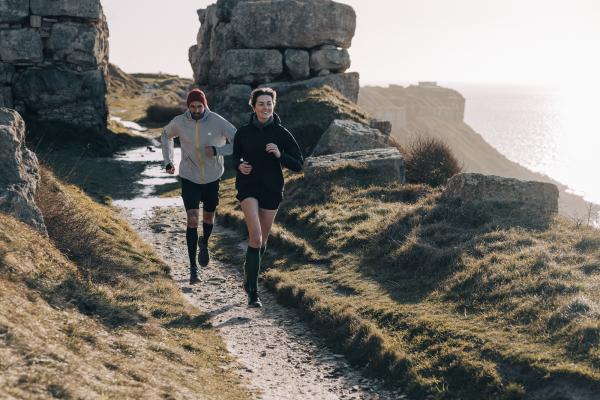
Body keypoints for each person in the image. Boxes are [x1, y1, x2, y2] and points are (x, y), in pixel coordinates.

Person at [233, 87, 304, 307]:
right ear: (253, 106)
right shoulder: (243, 132)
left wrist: (280, 154)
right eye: (261, 103)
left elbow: (298, 164)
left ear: (274, 105)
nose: (266, 107)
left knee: (262, 241)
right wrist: (239, 165)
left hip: (272, 189)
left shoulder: (282, 133)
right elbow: (235, 157)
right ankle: (253, 294)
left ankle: (249, 274)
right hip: (248, 187)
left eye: (269, 103)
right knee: (255, 237)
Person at [162, 88, 236, 284]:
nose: (195, 110)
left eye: (199, 106)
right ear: (188, 106)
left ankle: (204, 243)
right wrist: (168, 161)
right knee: (192, 219)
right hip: (189, 176)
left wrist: (218, 150)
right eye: (192, 106)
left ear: (205, 105)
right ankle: (193, 269)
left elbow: (239, 141)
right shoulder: (179, 121)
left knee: (208, 216)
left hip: (213, 177)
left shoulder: (217, 121)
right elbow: (165, 135)